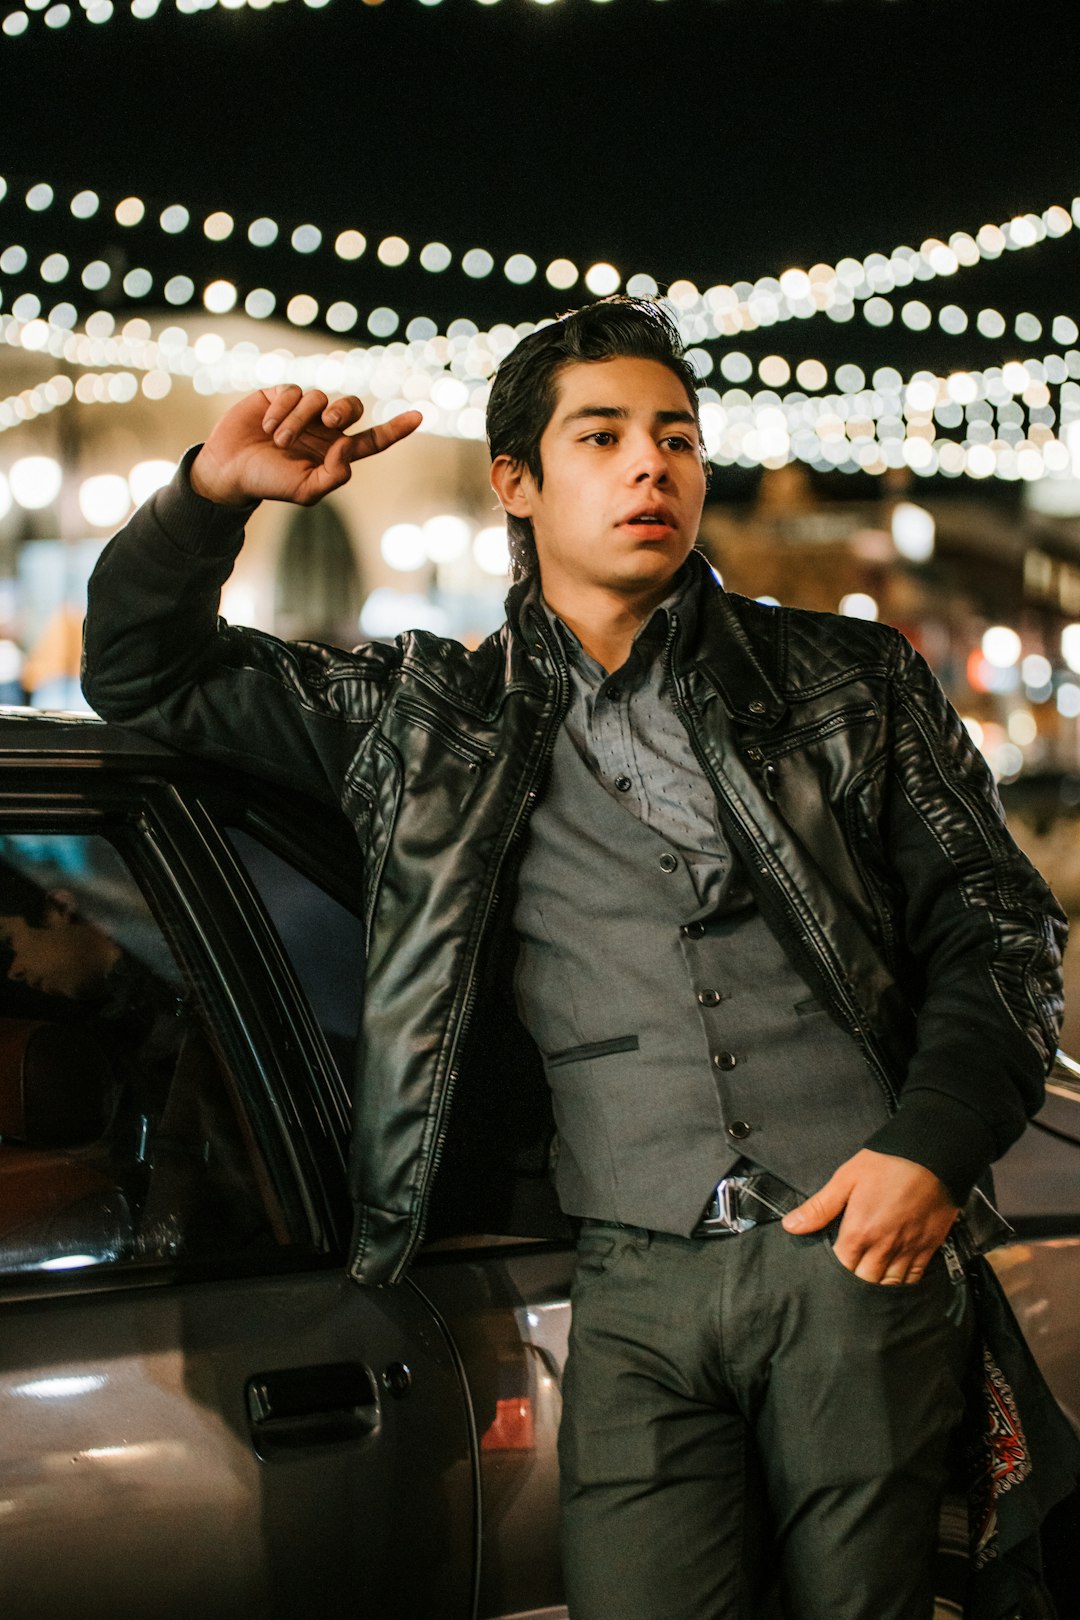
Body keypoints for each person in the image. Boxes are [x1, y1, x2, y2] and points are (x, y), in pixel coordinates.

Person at [81, 299, 1076, 1618]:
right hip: (631, 1277)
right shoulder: (433, 719)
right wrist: (212, 494)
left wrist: (929, 1152)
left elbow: (998, 926)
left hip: (852, 1259)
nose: (649, 466)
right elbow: (145, 671)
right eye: (601, 437)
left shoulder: (850, 682)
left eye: (675, 437)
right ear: (517, 483)